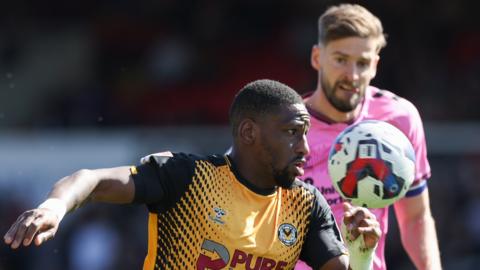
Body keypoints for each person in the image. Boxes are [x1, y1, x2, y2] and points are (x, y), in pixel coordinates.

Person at [4, 79, 380, 269]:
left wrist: (362, 252)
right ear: (248, 132)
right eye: (290, 133)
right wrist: (55, 206)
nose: (304, 148)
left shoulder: (305, 204)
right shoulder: (189, 178)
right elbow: (91, 180)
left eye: (305, 134)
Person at [295, 4, 442, 270]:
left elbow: (415, 217)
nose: (352, 75)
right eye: (340, 59)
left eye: (362, 63)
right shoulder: (286, 127)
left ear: (375, 65)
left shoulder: (398, 119)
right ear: (317, 57)